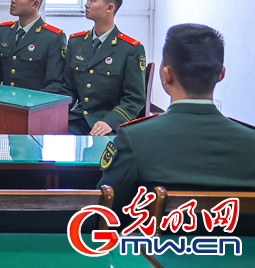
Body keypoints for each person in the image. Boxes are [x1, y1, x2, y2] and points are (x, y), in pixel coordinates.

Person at [98, 24, 255, 214]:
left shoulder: (135, 138)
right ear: (221, 74)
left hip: (156, 244)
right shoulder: (250, 141)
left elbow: (106, 212)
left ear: (166, 75)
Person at [62, 0, 146, 136]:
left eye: (92, 0)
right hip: (78, 120)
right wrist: (55, 115)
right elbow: (68, 88)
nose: (86, 4)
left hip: (109, 124)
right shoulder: (76, 42)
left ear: (109, 7)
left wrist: (110, 122)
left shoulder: (130, 49)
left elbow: (134, 98)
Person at [0, 0, 66, 93]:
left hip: (33, 106)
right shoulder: (4, 31)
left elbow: (55, 85)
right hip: (4, 103)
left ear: (35, 4)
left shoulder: (53, 38)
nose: (13, 0)